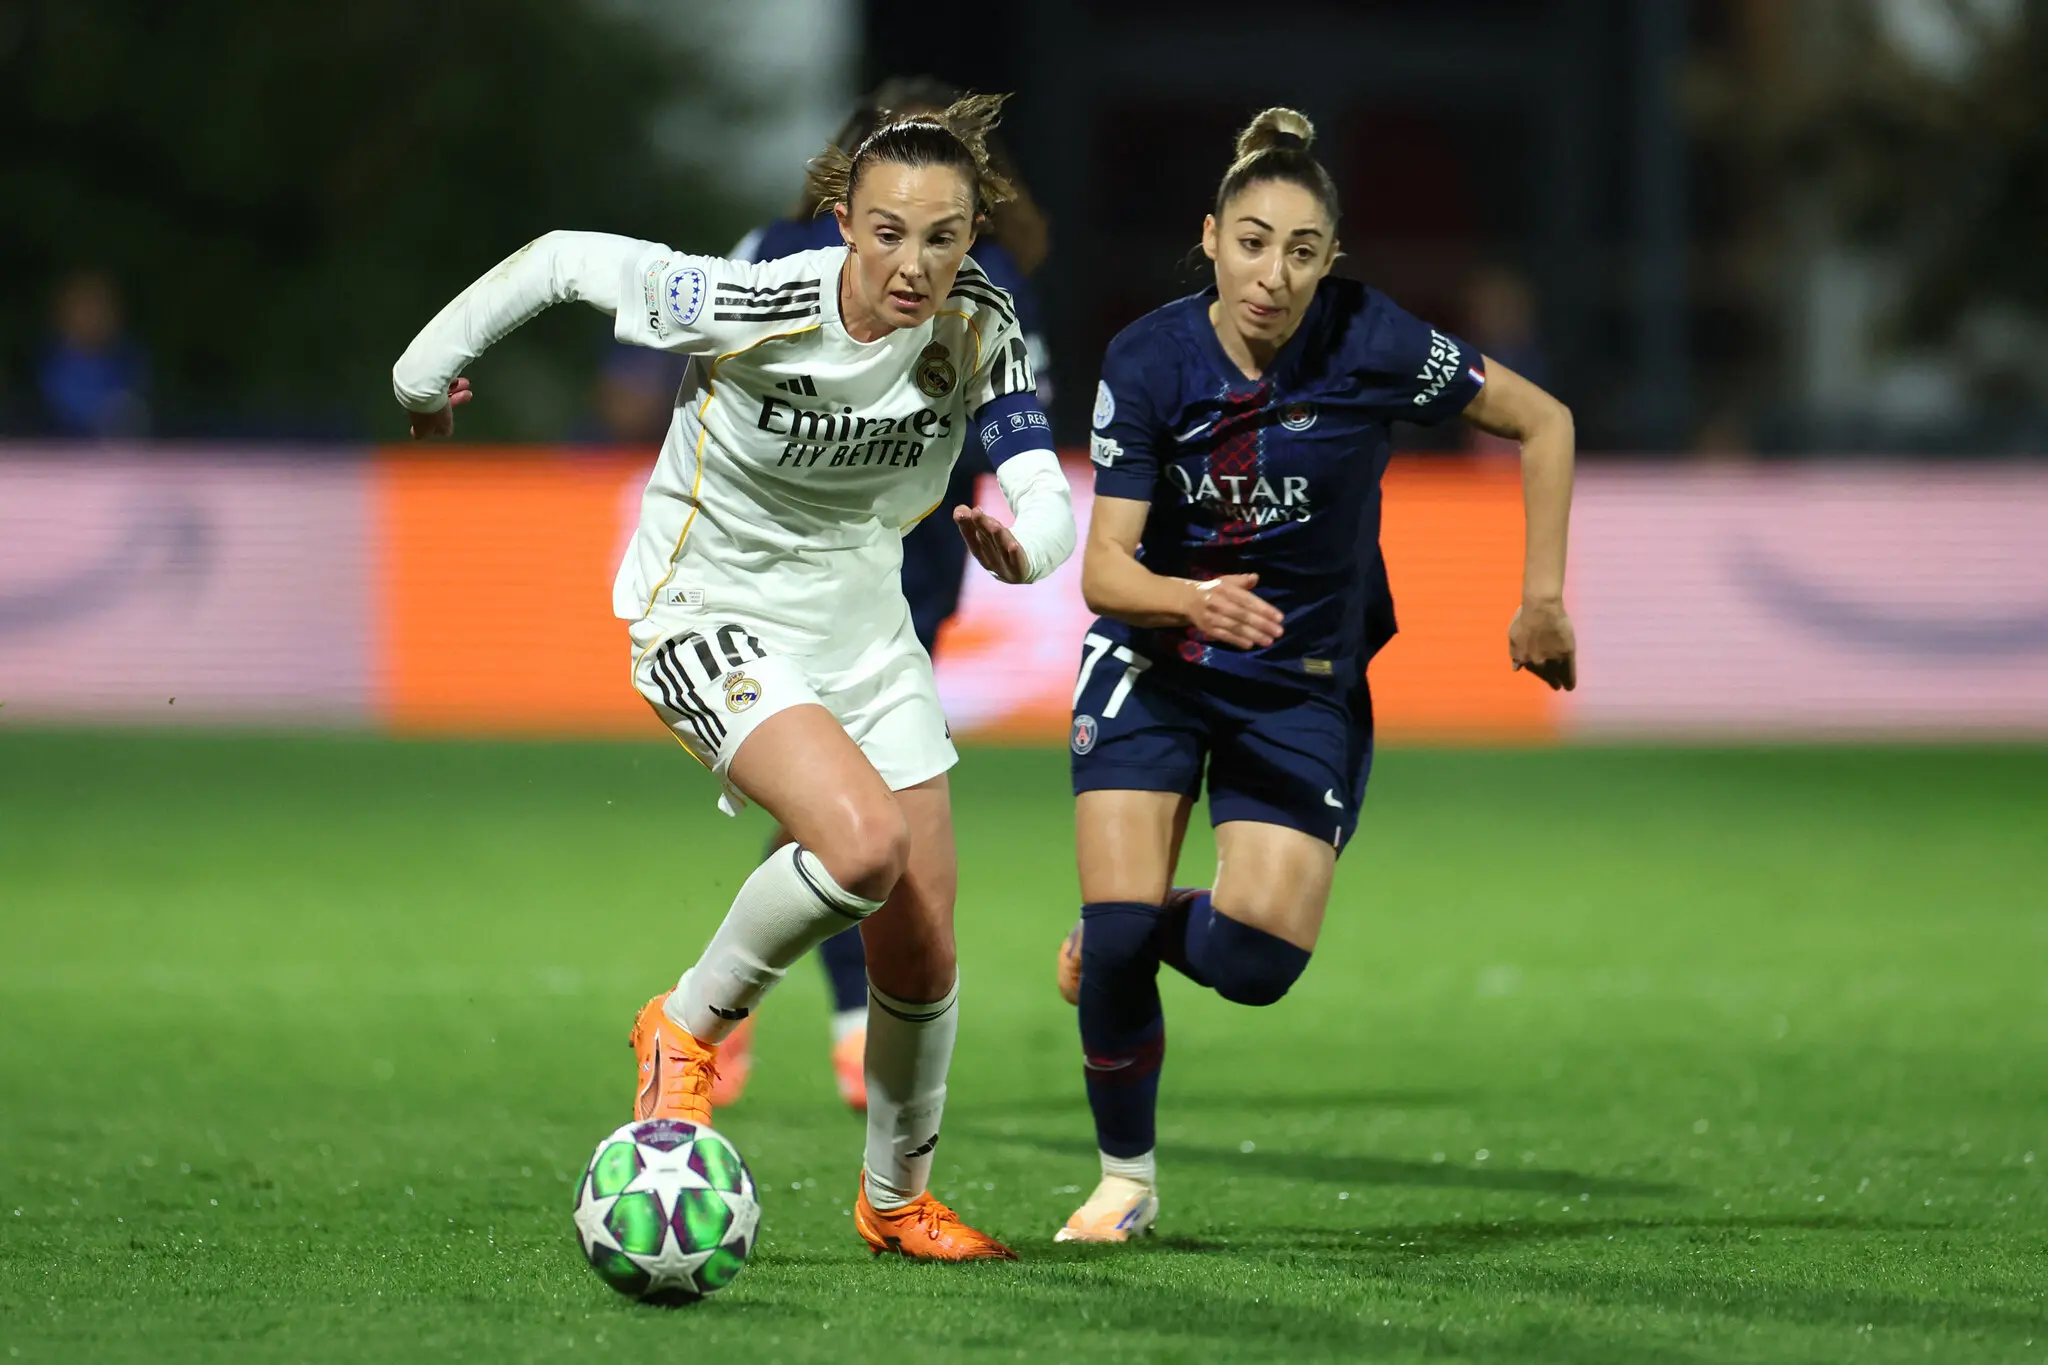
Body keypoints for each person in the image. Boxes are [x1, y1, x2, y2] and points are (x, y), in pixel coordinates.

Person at [391, 94, 1072, 1261]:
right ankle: (684, 1025)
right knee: (861, 849)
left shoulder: (982, 325)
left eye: (943, 236)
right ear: (842, 224)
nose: (915, 264)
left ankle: (895, 1203)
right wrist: (420, 378)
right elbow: (560, 262)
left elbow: (1040, 481)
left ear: (975, 237)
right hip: (706, 609)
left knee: (923, 942)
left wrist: (1028, 549)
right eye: (888, 232)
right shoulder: (755, 299)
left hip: (862, 631)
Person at [1051, 109, 1577, 1243]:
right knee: (1116, 919)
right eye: (1249, 241)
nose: (1270, 274)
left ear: (1329, 261)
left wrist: (1539, 597)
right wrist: (1187, 599)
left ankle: (1132, 935)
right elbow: (1103, 571)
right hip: (1156, 658)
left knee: (1252, 963)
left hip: (1300, 682)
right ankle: (1123, 1180)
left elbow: (1543, 422)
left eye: (1298, 250)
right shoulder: (1148, 359)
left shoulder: (1370, 341)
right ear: (1209, 239)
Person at [717, 75, 1055, 1115]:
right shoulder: (774, 256)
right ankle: (797, 1019)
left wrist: (1029, 527)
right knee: (851, 812)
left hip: (906, 567)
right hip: (791, 569)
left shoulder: (986, 278)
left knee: (849, 808)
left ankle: (743, 1012)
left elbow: (1018, 415)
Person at [38, 270, 150, 438]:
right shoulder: (43, 365)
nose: (91, 315)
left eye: (99, 306)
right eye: (83, 307)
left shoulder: (131, 362)